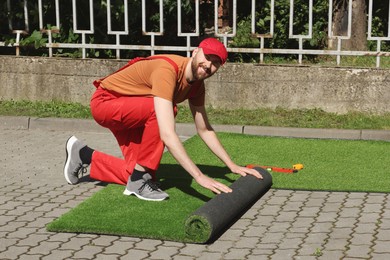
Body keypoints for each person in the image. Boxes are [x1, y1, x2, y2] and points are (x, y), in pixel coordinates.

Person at [63, 37, 262, 201]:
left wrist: (232, 165)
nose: (209, 65)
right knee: (163, 113)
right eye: (207, 57)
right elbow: (167, 133)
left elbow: (205, 129)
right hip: (106, 103)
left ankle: (84, 155)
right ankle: (138, 180)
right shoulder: (168, 70)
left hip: (134, 110)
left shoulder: (197, 86)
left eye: (216, 63)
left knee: (140, 174)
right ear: (194, 52)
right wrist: (199, 177)